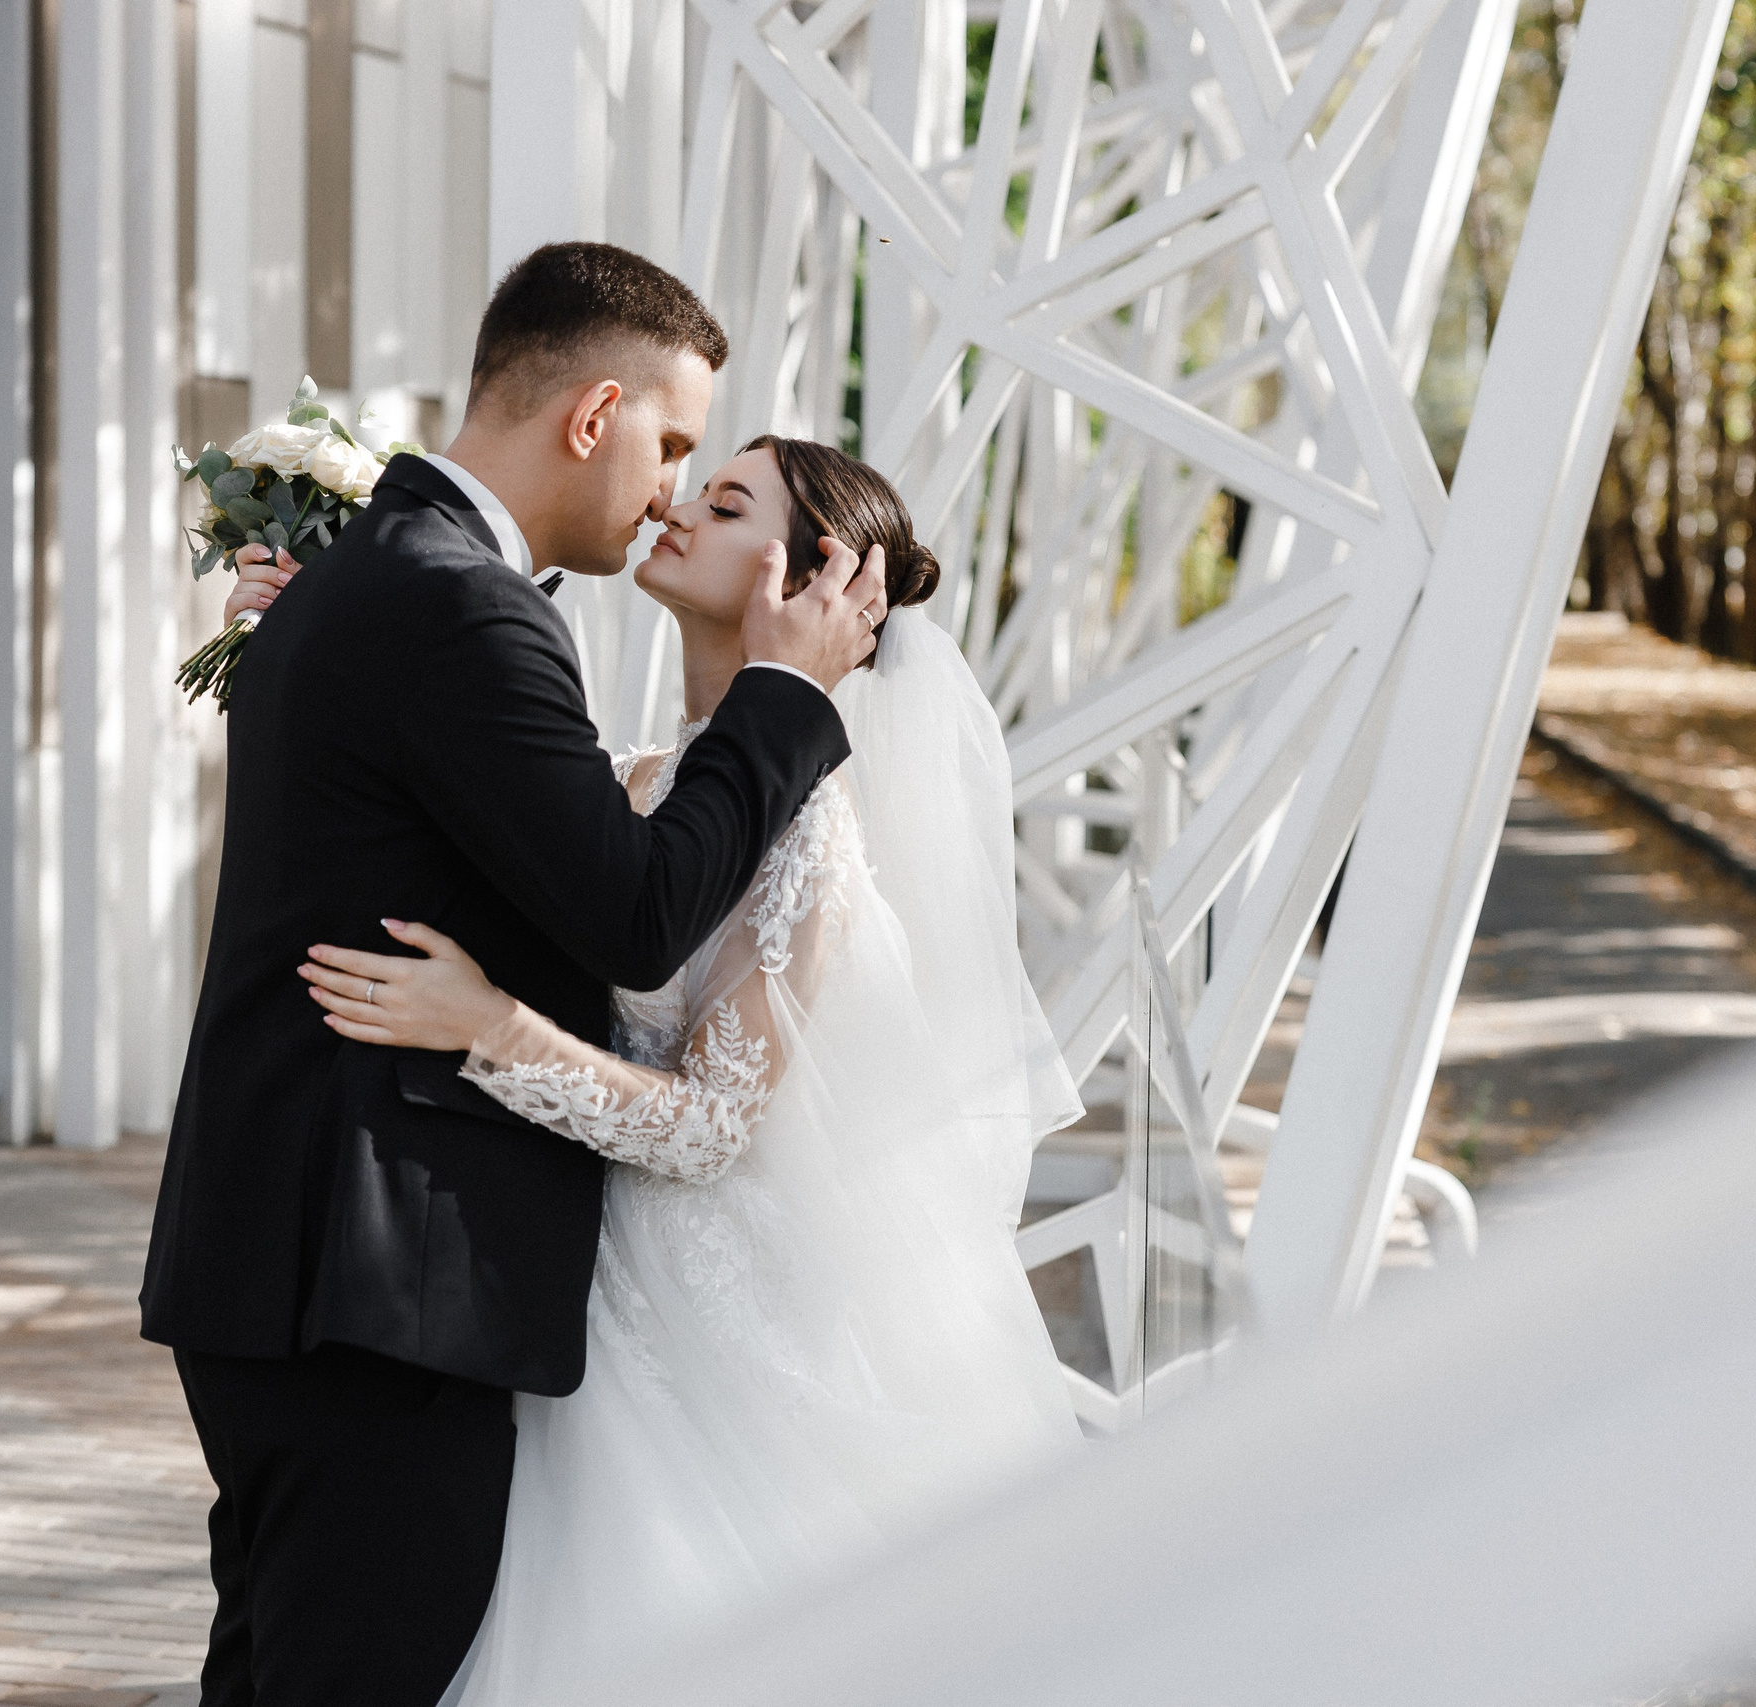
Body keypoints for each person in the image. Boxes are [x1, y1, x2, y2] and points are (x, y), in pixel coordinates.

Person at [138, 244, 888, 1707]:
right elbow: (638, 911)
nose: (672, 486)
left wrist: (498, 1026)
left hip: (310, 1270)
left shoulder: (377, 581)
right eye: (676, 445)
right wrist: (791, 694)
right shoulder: (462, 609)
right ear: (595, 413)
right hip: (369, 1288)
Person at [290, 437, 1086, 1703]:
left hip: (703, 1306)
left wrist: (492, 1029)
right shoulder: (625, 779)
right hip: (570, 1274)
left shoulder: (809, 824)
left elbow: (716, 1127)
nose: (675, 504)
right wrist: (318, 624)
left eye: (726, 504)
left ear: (816, 581)